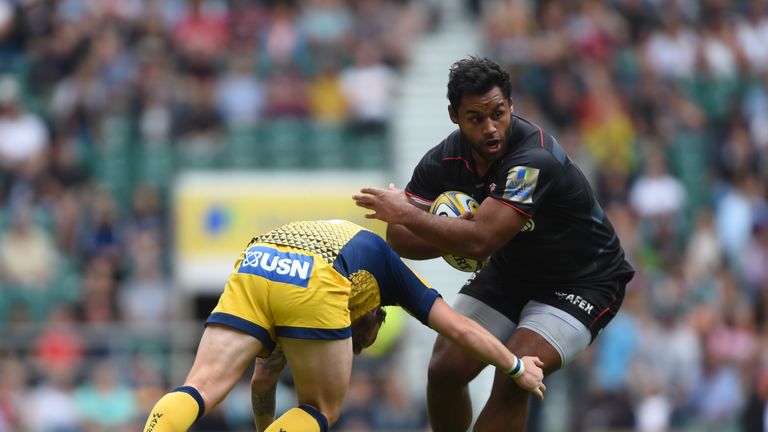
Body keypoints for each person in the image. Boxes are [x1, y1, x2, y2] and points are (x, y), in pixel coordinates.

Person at [353, 56, 636, 432]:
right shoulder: (443, 159)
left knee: (515, 370)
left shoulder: (532, 159)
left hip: (583, 281)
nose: (490, 128)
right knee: (444, 369)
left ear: (511, 106)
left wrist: (414, 217)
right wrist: (445, 229)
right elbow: (400, 238)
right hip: (511, 272)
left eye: (498, 113)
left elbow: (480, 239)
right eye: (475, 118)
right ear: (454, 115)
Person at [142, 219, 545, 432]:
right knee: (321, 409)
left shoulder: (350, 268)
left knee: (200, 386)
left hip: (259, 258)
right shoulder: (391, 271)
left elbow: (262, 384)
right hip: (316, 274)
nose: (358, 344)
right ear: (374, 312)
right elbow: (459, 328)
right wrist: (514, 366)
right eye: (362, 337)